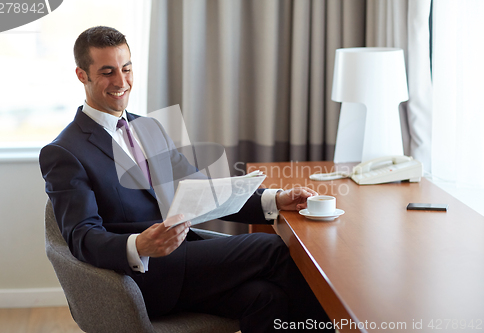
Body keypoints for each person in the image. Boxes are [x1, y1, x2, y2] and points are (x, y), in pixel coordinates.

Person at [40, 26, 332, 332]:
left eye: (126, 69)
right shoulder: (64, 152)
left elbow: (199, 190)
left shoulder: (148, 127)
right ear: (82, 75)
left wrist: (273, 199)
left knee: (265, 297)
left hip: (186, 263)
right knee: (272, 249)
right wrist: (139, 244)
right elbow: (82, 237)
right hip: (141, 280)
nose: (121, 81)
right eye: (107, 72)